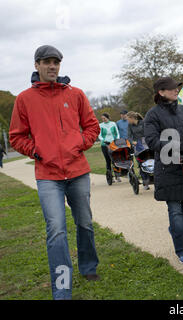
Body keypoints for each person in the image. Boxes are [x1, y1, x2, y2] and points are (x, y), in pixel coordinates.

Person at [9, 45, 100, 300]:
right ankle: (62, 288)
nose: (52, 66)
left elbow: (92, 126)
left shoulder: (77, 94)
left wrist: (80, 144)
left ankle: (89, 267)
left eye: (56, 62)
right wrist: (37, 152)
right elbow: (16, 137)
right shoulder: (24, 99)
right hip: (48, 175)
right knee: (57, 229)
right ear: (36, 65)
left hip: (78, 171)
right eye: (47, 62)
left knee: (84, 223)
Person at [144, 77, 183, 264]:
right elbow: (152, 141)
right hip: (168, 169)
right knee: (176, 213)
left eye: (176, 88)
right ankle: (181, 250)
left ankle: (177, 233)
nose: (175, 90)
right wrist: (179, 146)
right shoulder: (152, 115)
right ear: (161, 92)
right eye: (171, 89)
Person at [127, 111, 150, 190]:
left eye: (128, 119)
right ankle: (145, 182)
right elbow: (129, 136)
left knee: (149, 161)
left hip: (146, 144)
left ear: (132, 118)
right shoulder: (130, 125)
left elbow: (148, 133)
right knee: (141, 163)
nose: (127, 121)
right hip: (137, 146)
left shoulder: (143, 123)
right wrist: (132, 141)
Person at [99, 113, 121, 182]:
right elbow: (99, 135)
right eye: (102, 119)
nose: (103, 120)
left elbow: (117, 133)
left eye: (104, 118)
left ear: (107, 117)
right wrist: (104, 140)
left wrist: (116, 139)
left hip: (113, 144)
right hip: (104, 145)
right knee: (108, 160)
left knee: (115, 159)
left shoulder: (113, 124)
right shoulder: (100, 125)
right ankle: (111, 177)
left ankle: (117, 175)